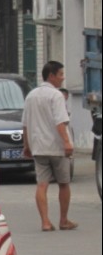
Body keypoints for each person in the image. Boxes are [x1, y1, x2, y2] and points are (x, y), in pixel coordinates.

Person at [22, 61, 76, 231]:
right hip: (57, 147)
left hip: (38, 146)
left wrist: (27, 145)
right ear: (51, 76)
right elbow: (60, 121)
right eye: (60, 74)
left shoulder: (31, 95)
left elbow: (25, 124)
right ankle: (63, 220)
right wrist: (67, 142)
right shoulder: (56, 96)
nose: (63, 78)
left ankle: (45, 222)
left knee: (42, 184)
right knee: (64, 183)